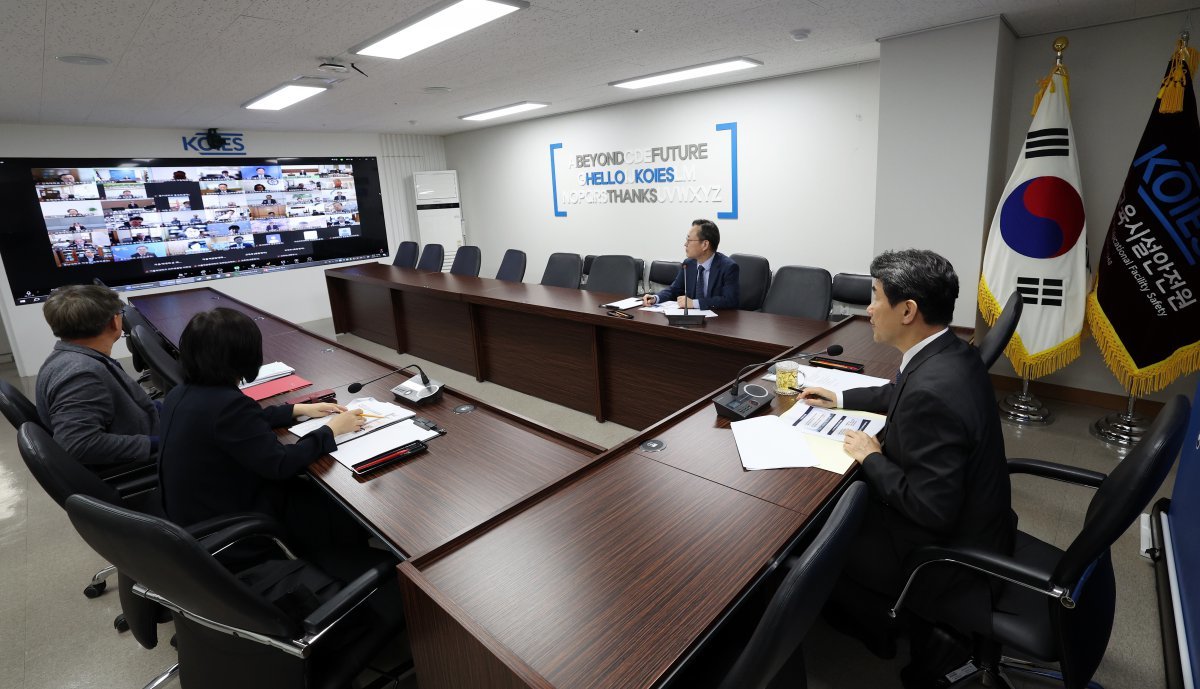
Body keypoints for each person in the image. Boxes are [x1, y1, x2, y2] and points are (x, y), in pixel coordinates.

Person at [800, 249, 1014, 687]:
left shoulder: (933, 392)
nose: (869, 308)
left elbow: (930, 510)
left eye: (875, 296)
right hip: (984, 522)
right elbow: (898, 393)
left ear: (908, 310)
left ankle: (881, 629)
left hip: (946, 555)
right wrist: (840, 398)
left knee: (818, 533)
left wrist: (872, 457)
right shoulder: (950, 352)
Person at [157, 308, 369, 568]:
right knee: (331, 499)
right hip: (234, 526)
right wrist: (332, 429)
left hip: (193, 516)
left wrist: (296, 409)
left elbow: (239, 426)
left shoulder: (182, 393)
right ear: (245, 356)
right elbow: (281, 464)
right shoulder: (228, 406)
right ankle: (352, 564)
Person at [35, 285, 159, 469]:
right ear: (114, 322)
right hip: (142, 459)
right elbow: (77, 445)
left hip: (137, 428)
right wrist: (158, 442)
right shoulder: (82, 374)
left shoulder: (69, 357)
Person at [642, 219, 740, 310]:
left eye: (689, 240)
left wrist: (694, 303)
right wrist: (655, 298)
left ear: (705, 245)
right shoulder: (688, 264)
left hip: (718, 322)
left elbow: (730, 301)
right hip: (691, 321)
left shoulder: (728, 267)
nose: (685, 244)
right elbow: (674, 290)